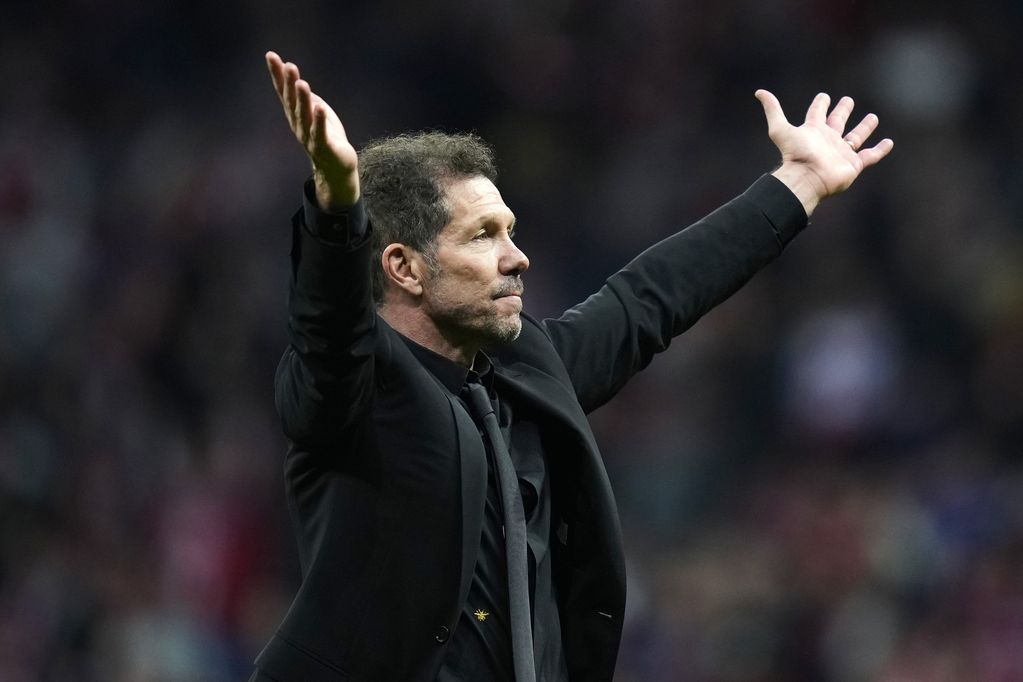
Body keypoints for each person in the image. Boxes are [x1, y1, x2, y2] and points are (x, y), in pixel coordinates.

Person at [252, 50, 893, 682]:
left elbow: (650, 298)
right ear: (404, 267)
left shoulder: (527, 371)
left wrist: (801, 182)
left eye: (510, 230)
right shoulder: (347, 388)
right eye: (484, 236)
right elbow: (329, 331)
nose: (517, 257)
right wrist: (337, 211)